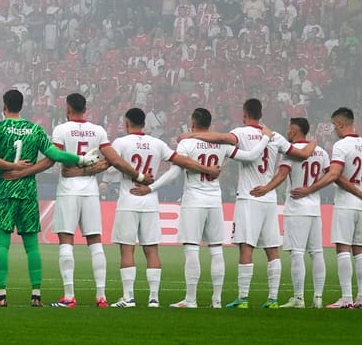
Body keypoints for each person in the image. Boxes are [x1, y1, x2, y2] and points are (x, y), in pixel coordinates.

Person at [0, 88, 84, 307]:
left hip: (4, 191)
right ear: (21, 106)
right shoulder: (36, 130)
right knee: (32, 246)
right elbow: (54, 156)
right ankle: (36, 295)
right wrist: (81, 159)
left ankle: (1, 296)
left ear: (4, 106)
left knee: (1, 246)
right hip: (27, 193)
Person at [49, 92, 132, 307]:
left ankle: (69, 297)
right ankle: (101, 296)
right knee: (95, 242)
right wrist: (90, 171)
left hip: (68, 189)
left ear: (68, 109)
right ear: (85, 109)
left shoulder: (61, 130)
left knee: (66, 241)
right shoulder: (98, 130)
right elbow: (111, 159)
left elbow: (55, 157)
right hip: (91, 191)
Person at [292, 107, 362, 308]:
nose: (334, 130)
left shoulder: (341, 146)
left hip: (347, 203)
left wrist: (309, 189)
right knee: (360, 250)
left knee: (343, 247)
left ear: (340, 123)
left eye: (333, 125)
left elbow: (334, 175)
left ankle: (346, 298)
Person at [223, 97, 297, 308]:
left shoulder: (240, 132)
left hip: (249, 197)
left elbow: (224, 140)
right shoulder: (275, 136)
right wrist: (312, 145)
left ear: (244, 114)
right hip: (269, 199)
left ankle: (243, 299)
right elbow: (296, 153)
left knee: (246, 247)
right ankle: (273, 299)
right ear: (261, 114)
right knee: (272, 249)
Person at [107, 108, 182, 308]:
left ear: (126, 123)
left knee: (127, 250)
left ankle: (128, 298)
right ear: (145, 124)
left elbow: (111, 165)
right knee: (152, 250)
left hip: (128, 200)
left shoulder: (121, 143)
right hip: (150, 201)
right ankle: (154, 299)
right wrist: (152, 186)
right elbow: (177, 167)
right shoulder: (158, 144)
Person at [168, 108, 232, 308]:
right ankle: (217, 300)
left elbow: (174, 172)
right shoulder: (222, 144)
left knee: (191, 247)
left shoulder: (186, 143)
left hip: (194, 199)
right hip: (214, 199)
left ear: (193, 122)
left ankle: (191, 299)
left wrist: (152, 187)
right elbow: (245, 153)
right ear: (210, 124)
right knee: (216, 249)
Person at [274, 117, 330, 308]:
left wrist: (266, 188)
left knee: (297, 253)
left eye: (290, 130)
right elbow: (331, 175)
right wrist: (313, 189)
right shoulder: (321, 151)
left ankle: (299, 298)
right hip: (315, 207)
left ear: (295, 131)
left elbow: (281, 175)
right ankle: (318, 298)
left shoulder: (291, 153)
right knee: (317, 252)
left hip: (297, 207)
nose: (288, 132)